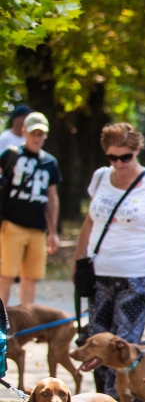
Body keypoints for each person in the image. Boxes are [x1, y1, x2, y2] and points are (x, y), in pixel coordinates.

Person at [72, 123, 145, 398]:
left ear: (137, 152)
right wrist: (78, 262)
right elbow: (89, 223)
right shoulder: (99, 178)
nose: (119, 163)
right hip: (100, 274)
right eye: (113, 157)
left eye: (126, 157)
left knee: (123, 350)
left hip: (137, 276)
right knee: (95, 345)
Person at [0, 112, 60, 306]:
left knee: (30, 277)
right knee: (7, 275)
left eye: (41, 134)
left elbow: (52, 198)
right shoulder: (11, 155)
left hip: (37, 228)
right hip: (12, 224)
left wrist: (53, 232)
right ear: (24, 132)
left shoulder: (50, 162)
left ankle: (26, 325)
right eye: (33, 133)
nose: (37, 138)